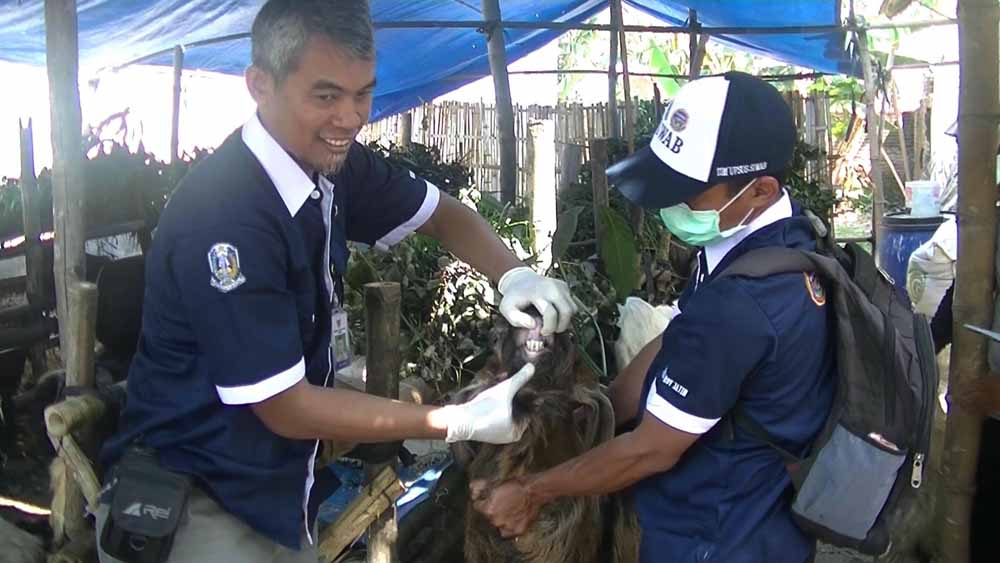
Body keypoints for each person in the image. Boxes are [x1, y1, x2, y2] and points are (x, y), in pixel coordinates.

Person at [93, 1, 577, 561]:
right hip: (197, 496)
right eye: (326, 96)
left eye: (362, 94)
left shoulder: (328, 165)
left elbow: (443, 216)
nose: (349, 118)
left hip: (276, 491)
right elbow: (285, 405)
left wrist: (514, 274)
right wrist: (452, 420)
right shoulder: (229, 216)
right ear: (260, 86)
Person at [472, 72, 836, 563]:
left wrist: (532, 491)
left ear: (760, 191)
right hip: (750, 511)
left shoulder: (742, 306)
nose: (672, 204)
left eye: (690, 192)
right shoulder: (770, 240)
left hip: (719, 538)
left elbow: (652, 449)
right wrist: (602, 409)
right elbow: (672, 338)